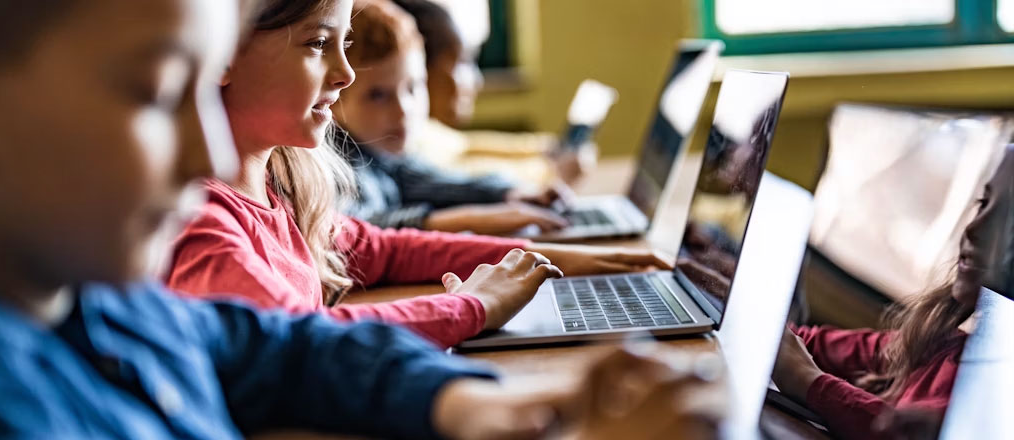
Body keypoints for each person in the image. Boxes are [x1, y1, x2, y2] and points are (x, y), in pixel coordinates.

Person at [0, 0, 725, 437]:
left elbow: (287, 349)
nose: (207, 148)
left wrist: (471, 403)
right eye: (155, 93)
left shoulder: (108, 306)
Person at [166, 0, 674, 349]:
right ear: (222, 54)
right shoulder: (199, 221)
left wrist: (557, 260)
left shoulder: (283, 183)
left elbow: (386, 250)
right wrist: (472, 307)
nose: (345, 75)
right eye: (319, 44)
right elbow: (305, 339)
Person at [771, 146, 1014, 440]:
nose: (974, 228)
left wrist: (808, 381)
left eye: (1007, 220)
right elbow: (809, 344)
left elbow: (896, 432)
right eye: (983, 204)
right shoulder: (940, 344)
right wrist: (728, 299)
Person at [332, 0, 570, 233]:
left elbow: (427, 181)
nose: (404, 110)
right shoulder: (333, 164)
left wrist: (508, 193)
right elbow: (356, 231)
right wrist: (468, 220)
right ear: (332, 97)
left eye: (413, 87)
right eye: (378, 96)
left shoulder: (381, 154)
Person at [392, 0, 596, 186]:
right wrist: (551, 171)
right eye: (462, 62)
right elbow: (463, 180)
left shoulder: (427, 132)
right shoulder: (401, 141)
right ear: (422, 67)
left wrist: (546, 149)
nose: (477, 80)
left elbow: (464, 148)